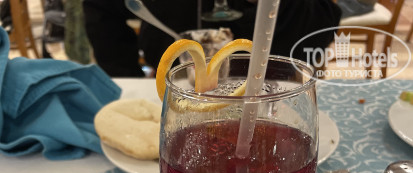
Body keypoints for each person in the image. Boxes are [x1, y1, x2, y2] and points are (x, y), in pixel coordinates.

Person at [82, 0, 342, 77]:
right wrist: (128, 78)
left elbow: (321, 25)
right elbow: (101, 9)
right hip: (171, 88)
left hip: (270, 88)